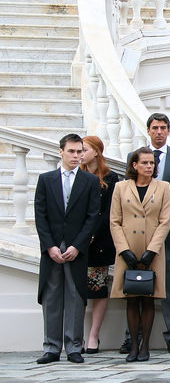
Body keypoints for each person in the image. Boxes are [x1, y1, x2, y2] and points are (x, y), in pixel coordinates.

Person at [122, 113, 170, 355]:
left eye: (163, 127)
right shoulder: (135, 157)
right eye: (155, 127)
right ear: (149, 130)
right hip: (137, 234)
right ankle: (132, 337)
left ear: (169, 131)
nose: (159, 131)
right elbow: (127, 196)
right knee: (134, 285)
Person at [34, 134, 102, 364]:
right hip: (52, 247)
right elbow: (40, 217)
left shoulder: (90, 181)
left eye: (79, 151)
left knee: (75, 296)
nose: (76, 156)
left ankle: (74, 346)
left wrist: (77, 246)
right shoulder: (45, 179)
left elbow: (93, 217)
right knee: (51, 296)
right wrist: (50, 246)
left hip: (76, 248)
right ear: (61, 151)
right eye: (72, 151)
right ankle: (51, 347)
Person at [109, 147, 170, 362]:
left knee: (148, 298)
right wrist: (123, 250)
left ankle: (145, 345)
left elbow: (165, 222)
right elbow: (115, 221)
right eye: (144, 163)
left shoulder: (163, 187)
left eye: (151, 163)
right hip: (127, 249)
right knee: (131, 299)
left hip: (152, 251)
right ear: (134, 165)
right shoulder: (120, 187)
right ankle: (133, 346)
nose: (148, 166)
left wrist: (152, 250)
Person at [81, 135, 119, 354]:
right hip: (78, 241)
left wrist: (93, 234)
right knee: (79, 291)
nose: (81, 153)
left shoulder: (110, 177)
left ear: (96, 151)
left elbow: (110, 212)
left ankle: (94, 335)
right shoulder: (78, 175)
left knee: (98, 289)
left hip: (101, 240)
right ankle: (79, 335)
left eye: (85, 149)